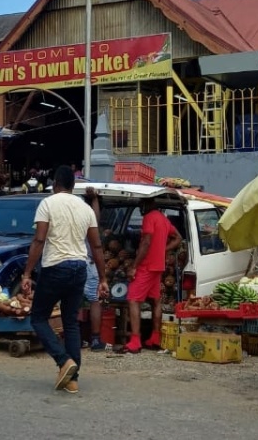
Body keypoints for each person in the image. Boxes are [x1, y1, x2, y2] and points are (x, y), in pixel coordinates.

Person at [21, 165, 109, 395]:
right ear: (73, 185)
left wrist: (27, 273)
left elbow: (39, 240)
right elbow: (96, 245)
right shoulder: (85, 208)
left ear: (55, 184)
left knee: (39, 318)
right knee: (71, 322)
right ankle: (73, 379)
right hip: (80, 268)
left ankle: (63, 361)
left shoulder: (47, 204)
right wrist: (103, 279)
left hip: (55, 267)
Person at [123, 197, 182, 354]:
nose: (141, 208)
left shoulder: (149, 218)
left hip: (147, 266)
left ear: (148, 204)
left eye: (142, 204)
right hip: (158, 266)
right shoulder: (163, 218)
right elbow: (178, 238)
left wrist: (134, 266)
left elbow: (146, 242)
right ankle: (155, 337)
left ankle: (135, 341)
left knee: (133, 300)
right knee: (156, 301)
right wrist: (163, 250)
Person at [82, 186, 106, 351]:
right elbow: (95, 221)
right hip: (89, 263)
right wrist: (96, 198)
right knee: (95, 301)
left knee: (72, 300)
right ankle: (95, 339)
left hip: (73, 262)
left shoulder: (69, 216)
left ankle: (74, 337)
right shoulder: (88, 219)